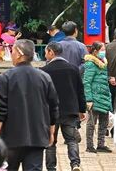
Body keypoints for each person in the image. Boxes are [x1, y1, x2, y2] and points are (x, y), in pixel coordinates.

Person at [0, 39, 60, 171]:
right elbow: (53, 108)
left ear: (19, 54)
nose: (11, 54)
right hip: (37, 137)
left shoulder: (5, 77)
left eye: (12, 51)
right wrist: (51, 132)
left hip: (10, 138)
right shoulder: (44, 77)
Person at [41, 41, 86, 171]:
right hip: (70, 110)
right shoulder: (73, 69)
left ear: (51, 52)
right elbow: (80, 90)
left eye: (46, 52)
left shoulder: (44, 71)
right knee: (71, 139)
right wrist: (81, 109)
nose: (45, 55)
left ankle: (51, 168)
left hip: (51, 112)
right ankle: (75, 164)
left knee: (51, 141)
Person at [82, 41, 113, 153]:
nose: (104, 52)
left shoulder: (103, 63)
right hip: (95, 97)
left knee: (104, 122)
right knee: (91, 122)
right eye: (102, 49)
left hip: (104, 96)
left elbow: (101, 79)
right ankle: (90, 145)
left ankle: (101, 144)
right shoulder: (91, 64)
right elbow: (87, 82)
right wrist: (89, 99)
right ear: (95, 51)